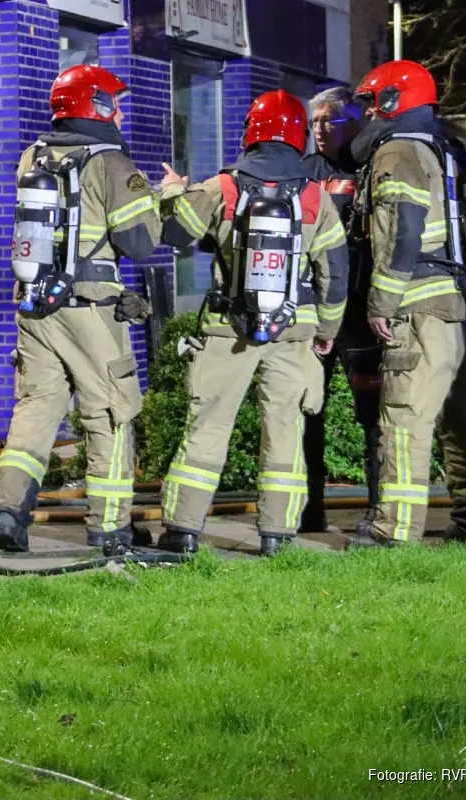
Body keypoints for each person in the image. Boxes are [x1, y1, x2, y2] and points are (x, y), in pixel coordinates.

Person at [156, 89, 350, 556]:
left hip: (227, 328)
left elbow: (173, 233)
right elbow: (335, 274)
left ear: (251, 131)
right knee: (284, 431)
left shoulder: (222, 187)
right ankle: (277, 536)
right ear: (299, 136)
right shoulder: (315, 197)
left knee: (207, 426)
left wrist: (173, 191)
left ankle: (182, 531)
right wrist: (327, 331)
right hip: (294, 332)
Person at [0, 64, 162, 553]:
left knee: (36, 410)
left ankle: (9, 511)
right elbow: (140, 243)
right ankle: (110, 527)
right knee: (110, 414)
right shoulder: (110, 163)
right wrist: (155, 197)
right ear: (97, 106)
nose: (120, 113)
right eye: (114, 103)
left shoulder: (33, 156)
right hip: (91, 311)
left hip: (36, 307)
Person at [350, 60, 466, 546]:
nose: (368, 112)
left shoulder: (397, 152)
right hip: (463, 308)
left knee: (404, 420)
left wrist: (381, 302)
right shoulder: (449, 148)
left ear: (395, 100)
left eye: (373, 101)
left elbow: (403, 231)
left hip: (421, 308)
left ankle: (393, 532)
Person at [299, 86, 382, 536]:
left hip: (361, 315)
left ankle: (379, 510)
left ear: (354, 122)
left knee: (374, 416)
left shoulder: (371, 168)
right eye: (314, 121)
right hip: (315, 313)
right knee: (308, 410)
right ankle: (309, 510)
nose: (319, 128)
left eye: (328, 119)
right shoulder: (305, 172)